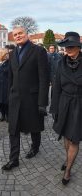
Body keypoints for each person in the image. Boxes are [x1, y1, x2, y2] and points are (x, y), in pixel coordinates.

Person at [2, 26, 49, 171]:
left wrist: (42, 102)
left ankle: (35, 147)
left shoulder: (38, 51)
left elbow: (44, 78)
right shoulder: (12, 54)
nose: (17, 36)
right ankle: (13, 159)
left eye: (20, 33)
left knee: (34, 127)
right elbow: (11, 77)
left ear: (27, 34)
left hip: (32, 98)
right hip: (15, 97)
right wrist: (10, 95)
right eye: (15, 34)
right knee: (13, 129)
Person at [50, 32, 82, 185]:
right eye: (66, 46)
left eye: (71, 46)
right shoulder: (60, 63)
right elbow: (56, 88)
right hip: (64, 103)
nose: (68, 49)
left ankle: (68, 169)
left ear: (78, 47)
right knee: (66, 137)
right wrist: (54, 108)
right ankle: (68, 158)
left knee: (74, 138)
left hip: (79, 105)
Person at [0, 48, 9, 122]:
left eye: (7, 54)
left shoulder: (9, 63)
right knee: (0, 102)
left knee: (6, 102)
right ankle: (2, 114)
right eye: (5, 54)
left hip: (6, 85)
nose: (7, 55)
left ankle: (7, 115)